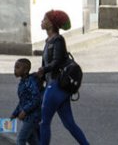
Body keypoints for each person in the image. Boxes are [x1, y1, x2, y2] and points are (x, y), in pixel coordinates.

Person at [37, 9, 91, 145]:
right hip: (55, 86)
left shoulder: (58, 40)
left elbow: (56, 62)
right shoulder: (49, 41)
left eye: (45, 19)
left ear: (51, 24)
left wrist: (43, 70)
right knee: (69, 123)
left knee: (44, 122)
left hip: (56, 85)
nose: (42, 22)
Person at [10, 56, 44, 145]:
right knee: (32, 140)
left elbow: (36, 99)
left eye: (18, 67)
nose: (15, 70)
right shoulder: (23, 82)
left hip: (32, 116)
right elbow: (22, 101)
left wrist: (25, 111)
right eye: (15, 67)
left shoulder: (30, 82)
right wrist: (15, 113)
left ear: (25, 70)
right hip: (28, 116)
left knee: (20, 140)